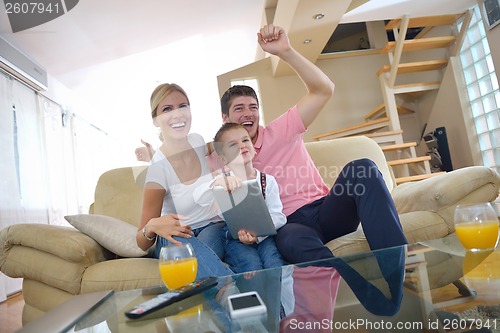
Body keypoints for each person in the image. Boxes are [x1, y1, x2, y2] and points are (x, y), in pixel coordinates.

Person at [220, 24, 408, 264]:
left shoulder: (282, 129)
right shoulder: (224, 158)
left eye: (253, 108)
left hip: (328, 209)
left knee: (363, 168)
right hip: (291, 225)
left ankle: (398, 266)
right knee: (292, 242)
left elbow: (323, 90)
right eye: (239, 109)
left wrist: (285, 52)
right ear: (225, 118)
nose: (248, 114)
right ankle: (357, 292)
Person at [136, 83, 232, 278]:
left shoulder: (197, 141)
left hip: (211, 227)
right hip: (175, 235)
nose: (177, 114)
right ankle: (232, 290)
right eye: (167, 109)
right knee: (182, 248)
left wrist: (243, 136)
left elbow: (221, 143)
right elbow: (141, 241)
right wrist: (153, 225)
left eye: (183, 106)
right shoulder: (158, 169)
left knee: (202, 250)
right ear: (155, 119)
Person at [194, 122, 287, 273]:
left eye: (245, 140)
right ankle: (252, 295)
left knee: (274, 262)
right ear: (223, 159)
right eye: (233, 145)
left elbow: (279, 216)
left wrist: (258, 233)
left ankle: (279, 297)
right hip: (235, 238)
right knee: (250, 265)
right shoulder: (222, 182)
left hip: (264, 237)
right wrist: (217, 182)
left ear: (253, 148)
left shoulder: (267, 180)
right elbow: (199, 197)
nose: (242, 145)